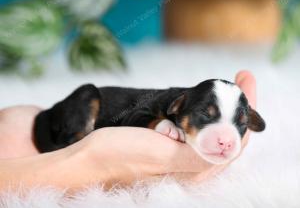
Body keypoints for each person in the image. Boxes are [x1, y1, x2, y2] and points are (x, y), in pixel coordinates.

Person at [0, 71, 256, 192]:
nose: (226, 138)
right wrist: (157, 125)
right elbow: (137, 116)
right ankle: (68, 148)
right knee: (88, 95)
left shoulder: (187, 104)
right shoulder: (167, 104)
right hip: (64, 118)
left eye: (239, 123)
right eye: (206, 117)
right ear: (178, 106)